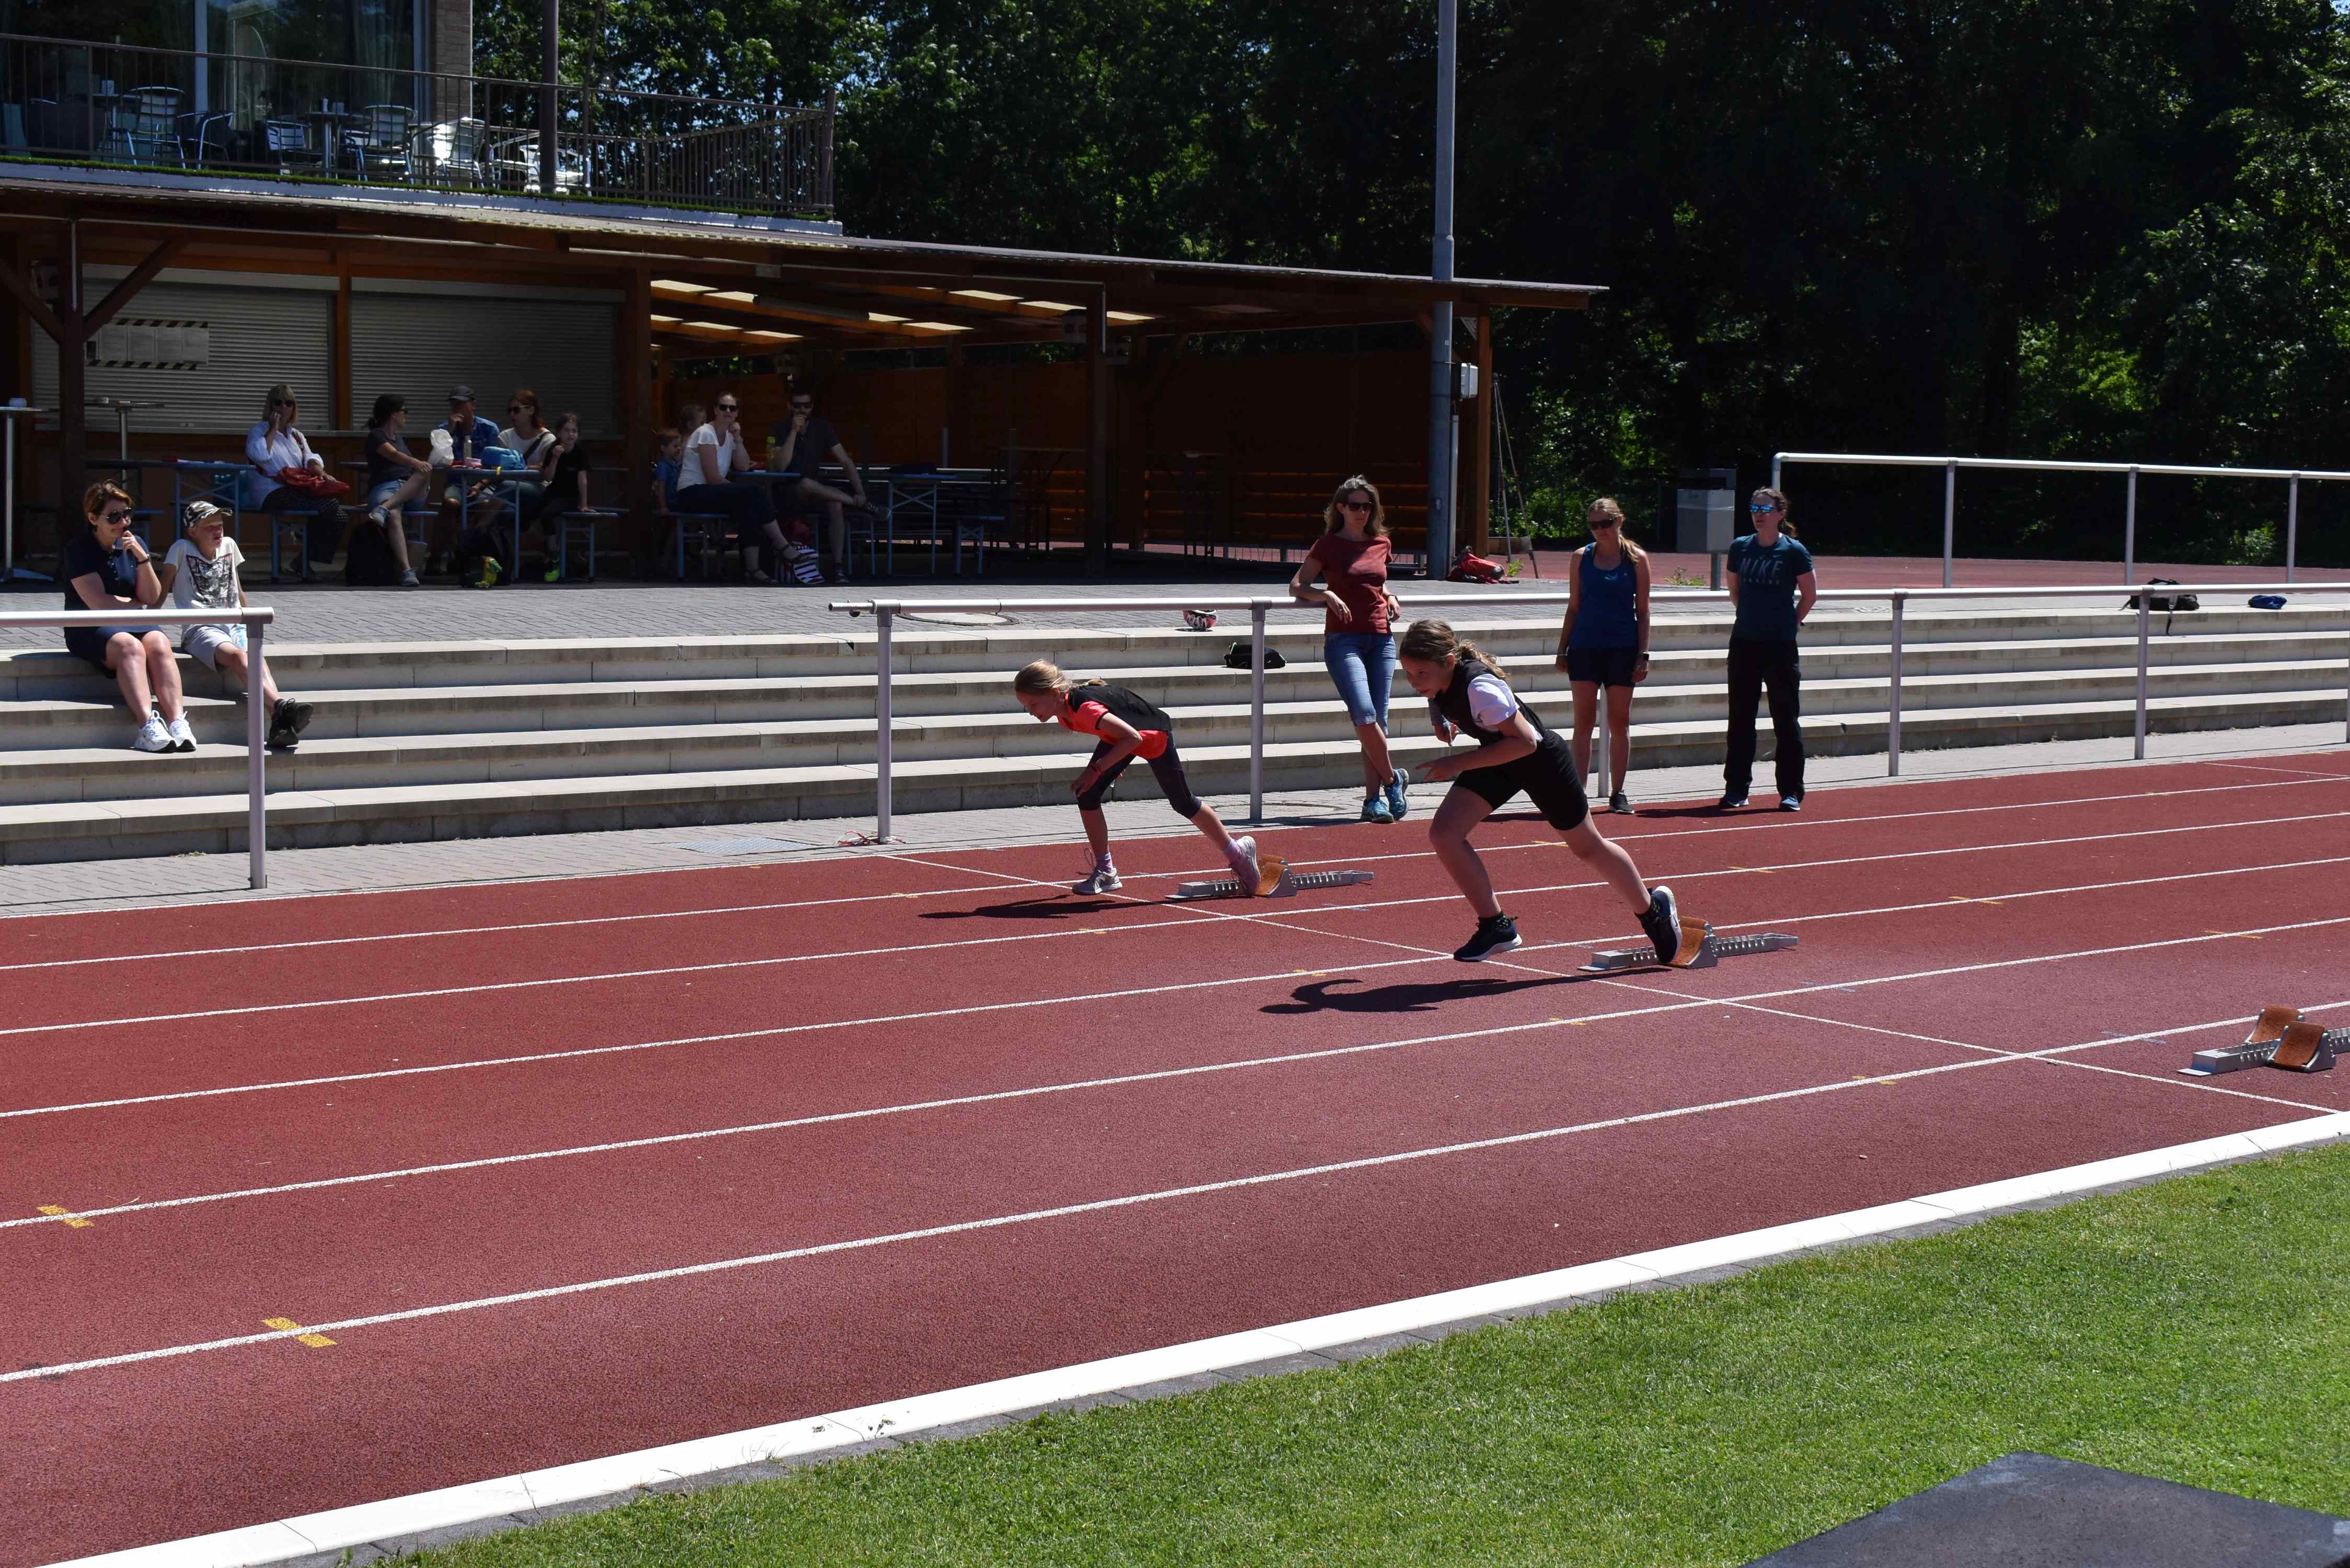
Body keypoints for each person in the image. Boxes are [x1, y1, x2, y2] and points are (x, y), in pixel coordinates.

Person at [1398, 618, 1683, 964]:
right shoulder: (1440, 682)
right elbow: (1440, 696)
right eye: (1408, 674)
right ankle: (1496, 926)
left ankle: (1654, 912)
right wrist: (1440, 718)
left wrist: (1456, 762)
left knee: (1588, 848)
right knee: (1444, 833)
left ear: (1448, 661)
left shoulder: (1480, 688)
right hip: (1500, 757)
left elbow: (1527, 743)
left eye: (1421, 674)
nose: (1415, 683)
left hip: (1540, 760)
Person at [1013, 659, 1263, 897]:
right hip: (1124, 738)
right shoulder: (1064, 712)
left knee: (1183, 803)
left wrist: (1098, 769)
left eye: (1033, 705)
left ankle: (1238, 853)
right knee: (1087, 795)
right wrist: (1112, 764)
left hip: (1153, 736)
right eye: (1026, 707)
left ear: (1055, 693)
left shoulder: (1085, 710)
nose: (1031, 712)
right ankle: (1106, 871)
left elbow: (1134, 738)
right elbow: (1117, 732)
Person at [1289, 475, 1408, 823]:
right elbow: (1297, 586)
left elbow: (1379, 582)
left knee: (1378, 721)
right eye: (1355, 506)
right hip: (1344, 639)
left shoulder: (1381, 543)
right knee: (1364, 715)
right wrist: (1326, 594)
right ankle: (1393, 780)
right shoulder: (1327, 545)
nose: (1362, 512)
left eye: (1367, 506)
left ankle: (1373, 801)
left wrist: (1391, 596)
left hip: (1381, 638)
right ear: (1340, 508)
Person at [157, 501, 315, 751]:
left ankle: (279, 723)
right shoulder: (181, 549)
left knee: (256, 657)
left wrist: (249, 620)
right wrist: (146, 618)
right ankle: (282, 707)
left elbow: (237, 587)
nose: (218, 531)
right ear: (193, 531)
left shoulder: (229, 545)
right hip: (201, 628)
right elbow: (162, 589)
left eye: (220, 525)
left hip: (235, 624)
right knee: (241, 657)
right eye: (210, 527)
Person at [62, 481, 188, 753]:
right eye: (114, 517)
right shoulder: (79, 549)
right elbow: (98, 605)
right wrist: (133, 604)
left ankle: (178, 722)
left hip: (129, 621)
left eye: (127, 514)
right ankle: (147, 727)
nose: (124, 522)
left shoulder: (135, 543)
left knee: (159, 643)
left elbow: (151, 597)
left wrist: (143, 559)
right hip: (88, 625)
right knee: (131, 647)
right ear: (93, 519)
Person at [1720, 487, 1818, 812]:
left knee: (1786, 720)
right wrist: (1751, 617)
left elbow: (1810, 595)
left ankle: (1791, 791)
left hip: (1780, 646)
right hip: (1745, 643)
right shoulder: (1740, 547)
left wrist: (1791, 623)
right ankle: (1737, 789)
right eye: (1754, 509)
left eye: (1765, 509)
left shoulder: (1794, 551)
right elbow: (1734, 591)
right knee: (1740, 719)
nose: (1759, 515)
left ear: (1780, 514)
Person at [1553, 496, 1651, 815]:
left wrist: (1643, 654)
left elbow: (1643, 611)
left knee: (1619, 722)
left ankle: (1618, 792)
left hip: (1622, 649)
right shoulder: (1581, 557)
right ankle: (1577, 791)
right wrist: (1562, 648)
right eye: (1594, 525)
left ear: (1620, 521)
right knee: (1583, 721)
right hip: (1584, 646)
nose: (1600, 530)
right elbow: (1574, 606)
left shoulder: (1637, 559)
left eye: (1606, 523)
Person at [679, 393, 792, 583]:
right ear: (715, 410)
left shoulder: (730, 437)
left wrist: (738, 438)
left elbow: (743, 466)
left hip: (712, 492)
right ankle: (782, 544)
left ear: (737, 413)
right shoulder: (706, 432)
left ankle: (753, 570)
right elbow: (713, 478)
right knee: (754, 493)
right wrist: (743, 492)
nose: (728, 411)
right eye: (723, 407)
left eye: (733, 408)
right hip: (692, 493)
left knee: (750, 509)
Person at [767, 384, 871, 582]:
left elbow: (845, 460)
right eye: (797, 406)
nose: (802, 410)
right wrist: (793, 432)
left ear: (812, 406)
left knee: (835, 504)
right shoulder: (778, 429)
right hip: (786, 493)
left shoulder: (822, 427)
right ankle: (860, 505)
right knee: (806, 483)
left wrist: (860, 492)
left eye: (807, 406)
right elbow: (780, 467)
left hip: (814, 493)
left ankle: (838, 567)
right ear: (789, 406)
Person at [244, 383, 344, 582]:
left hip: (298, 489)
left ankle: (303, 560)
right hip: (271, 492)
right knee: (327, 506)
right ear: (270, 406)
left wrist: (319, 470)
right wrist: (273, 429)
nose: (283, 408)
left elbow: (310, 457)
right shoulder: (259, 431)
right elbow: (260, 455)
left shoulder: (296, 435)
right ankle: (302, 555)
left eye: (289, 403)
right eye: (278, 403)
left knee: (340, 515)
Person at [429, 385, 507, 582]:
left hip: (483, 483)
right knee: (450, 504)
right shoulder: (443, 430)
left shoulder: (488, 429)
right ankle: (435, 558)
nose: (457, 408)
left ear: (473, 405)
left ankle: (468, 555)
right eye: (454, 404)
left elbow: (496, 465)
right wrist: (450, 431)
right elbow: (437, 461)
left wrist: (480, 485)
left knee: (486, 506)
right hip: (457, 482)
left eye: (462, 404)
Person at [357, 393, 425, 587]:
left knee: (423, 473)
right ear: (393, 413)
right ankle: (407, 571)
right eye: (404, 411)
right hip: (385, 487)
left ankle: (383, 508)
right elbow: (393, 455)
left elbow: (414, 467)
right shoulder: (376, 436)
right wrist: (416, 462)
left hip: (409, 489)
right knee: (394, 514)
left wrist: (423, 465)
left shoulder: (400, 438)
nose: (406, 415)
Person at [498, 387, 558, 572]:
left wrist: (521, 469)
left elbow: (544, 472)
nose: (512, 415)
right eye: (510, 411)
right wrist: (531, 468)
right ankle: (504, 563)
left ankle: (480, 531)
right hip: (510, 493)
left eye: (516, 410)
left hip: (538, 491)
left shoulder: (548, 439)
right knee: (503, 512)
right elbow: (499, 467)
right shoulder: (505, 437)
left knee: (505, 488)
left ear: (531, 410)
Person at [538, 412, 594, 582]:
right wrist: (555, 458)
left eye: (574, 431)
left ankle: (554, 553)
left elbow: (582, 480)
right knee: (536, 511)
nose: (571, 435)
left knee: (548, 514)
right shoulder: (553, 449)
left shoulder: (580, 453)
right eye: (567, 431)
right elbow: (549, 478)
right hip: (554, 492)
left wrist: (584, 504)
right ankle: (550, 553)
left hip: (570, 496)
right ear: (559, 433)